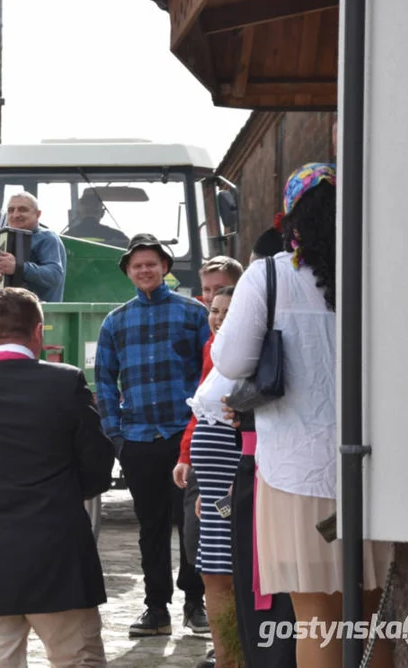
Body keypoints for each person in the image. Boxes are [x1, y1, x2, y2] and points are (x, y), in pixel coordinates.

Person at [212, 163, 393, 668]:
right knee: (371, 617)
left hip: (294, 472)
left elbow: (231, 362)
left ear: (290, 219)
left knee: (315, 618)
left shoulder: (268, 275)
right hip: (370, 474)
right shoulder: (373, 273)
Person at [0, 288, 116, 668]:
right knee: (77, 659)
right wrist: (62, 493)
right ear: (39, 333)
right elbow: (98, 465)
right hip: (57, 554)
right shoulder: (66, 383)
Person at [95, 233, 209, 637]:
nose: (144, 270)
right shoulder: (116, 322)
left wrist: (200, 425)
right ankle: (156, 608)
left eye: (152, 263)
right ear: (128, 271)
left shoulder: (193, 313)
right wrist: (116, 436)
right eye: (137, 265)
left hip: (184, 438)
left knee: (192, 523)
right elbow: (104, 383)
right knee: (152, 527)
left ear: (165, 268)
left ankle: (195, 603)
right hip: (138, 440)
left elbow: (206, 371)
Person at [224, 227, 297, 668]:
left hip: (267, 466)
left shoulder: (268, 284)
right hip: (337, 465)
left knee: (275, 592)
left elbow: (229, 372)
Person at [185, 286, 243, 668]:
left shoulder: (248, 357)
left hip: (237, 487)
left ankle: (237, 658)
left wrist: (238, 485)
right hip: (214, 487)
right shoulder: (218, 354)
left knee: (228, 577)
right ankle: (226, 659)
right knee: (213, 575)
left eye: (227, 310)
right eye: (213, 309)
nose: (218, 317)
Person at [0, 192, 67, 302]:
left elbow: (55, 275)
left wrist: (19, 267)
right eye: (11, 210)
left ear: (38, 214)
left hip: (40, 313)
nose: (15, 215)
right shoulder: (0, 237)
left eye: (22, 210)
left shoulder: (47, 238)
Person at [64, 189, 130, 248]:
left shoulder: (65, 239)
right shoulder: (119, 237)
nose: (90, 207)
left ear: (78, 213)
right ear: (102, 213)